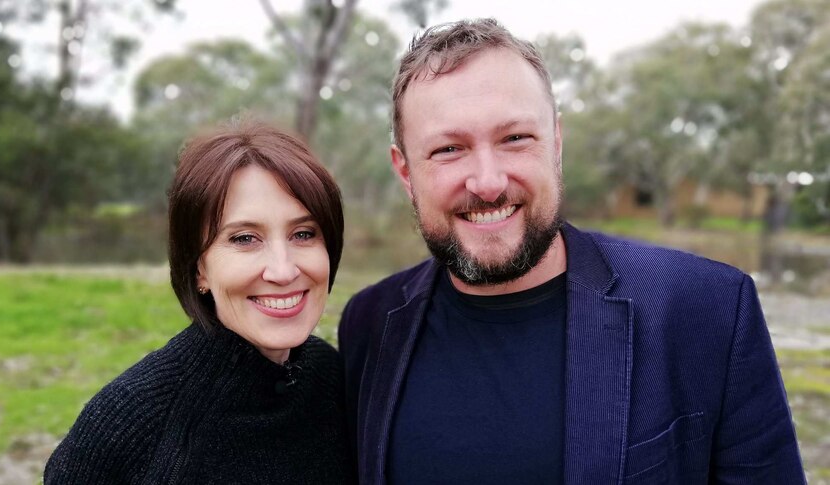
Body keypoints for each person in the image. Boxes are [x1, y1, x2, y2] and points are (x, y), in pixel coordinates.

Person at [338, 18, 805, 484]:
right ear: (404, 171)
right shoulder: (369, 323)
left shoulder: (708, 309)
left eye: (515, 138)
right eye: (448, 149)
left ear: (556, 144)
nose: (488, 182)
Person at [45, 119, 353, 483]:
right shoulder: (129, 420)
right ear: (198, 269)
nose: (283, 271)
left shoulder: (334, 377)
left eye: (303, 234)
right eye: (244, 239)